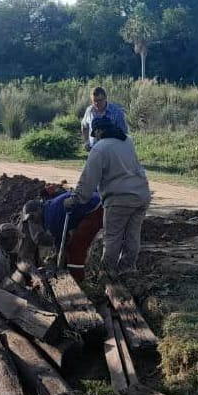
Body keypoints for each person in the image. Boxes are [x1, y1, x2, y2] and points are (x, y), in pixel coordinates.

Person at [67, 116, 151, 277]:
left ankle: (107, 274)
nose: (95, 137)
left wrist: (75, 199)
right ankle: (128, 270)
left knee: (112, 237)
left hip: (119, 199)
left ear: (99, 131)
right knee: (133, 235)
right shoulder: (127, 141)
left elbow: (88, 180)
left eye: (95, 134)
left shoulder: (99, 149)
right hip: (141, 194)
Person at [25, 190, 103, 282]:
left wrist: (59, 265)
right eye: (29, 219)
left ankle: (80, 277)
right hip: (93, 199)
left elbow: (62, 244)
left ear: (39, 209)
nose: (32, 221)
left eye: (32, 217)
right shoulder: (48, 207)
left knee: (75, 248)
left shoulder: (51, 219)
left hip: (96, 207)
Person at [81, 86, 128, 151]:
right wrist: (86, 142)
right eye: (94, 101)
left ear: (105, 98)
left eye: (99, 100)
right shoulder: (89, 111)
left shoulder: (117, 111)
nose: (97, 103)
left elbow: (124, 131)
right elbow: (84, 126)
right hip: (94, 150)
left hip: (112, 150)